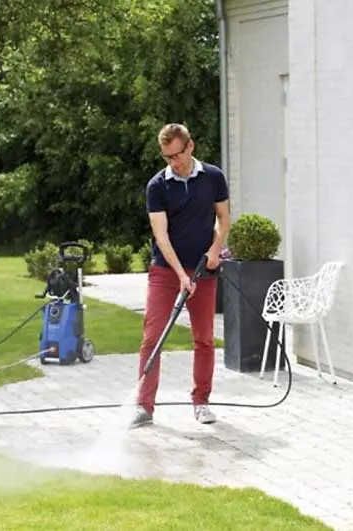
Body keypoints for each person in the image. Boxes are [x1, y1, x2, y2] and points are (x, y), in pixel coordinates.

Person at [130, 123, 230, 428]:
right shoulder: (157, 186)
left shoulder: (213, 177)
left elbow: (224, 219)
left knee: (204, 339)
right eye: (167, 157)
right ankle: (144, 406)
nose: (173, 162)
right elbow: (162, 237)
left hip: (202, 271)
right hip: (165, 270)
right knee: (153, 339)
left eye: (177, 155)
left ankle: (201, 402)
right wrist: (180, 276)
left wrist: (215, 251)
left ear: (190, 147)